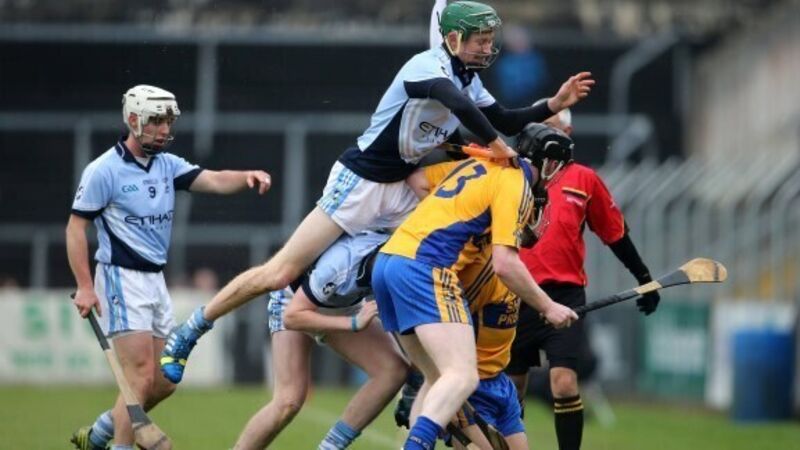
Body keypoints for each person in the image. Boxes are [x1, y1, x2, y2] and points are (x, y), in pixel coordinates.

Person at [160, 0, 593, 384]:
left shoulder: (468, 80)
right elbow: (461, 108)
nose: (487, 47)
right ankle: (193, 328)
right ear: (453, 39)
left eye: (489, 40)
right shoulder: (427, 67)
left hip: (401, 186)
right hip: (360, 183)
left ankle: (422, 380)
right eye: (479, 40)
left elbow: (507, 119)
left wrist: (554, 104)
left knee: (427, 264)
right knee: (279, 272)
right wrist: (499, 149)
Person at [67, 84, 272, 450]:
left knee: (164, 380)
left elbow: (214, 179)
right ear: (133, 120)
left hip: (154, 280)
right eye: (156, 121)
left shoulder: (167, 165)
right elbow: (75, 228)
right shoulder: (103, 171)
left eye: (168, 122)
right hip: (121, 278)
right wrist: (84, 285)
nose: (164, 129)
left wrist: (246, 177)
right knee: (139, 377)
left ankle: (99, 432)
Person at [372, 121, 578, 449]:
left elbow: (418, 180)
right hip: (425, 266)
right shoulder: (516, 182)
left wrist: (451, 218)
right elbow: (505, 264)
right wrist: (548, 306)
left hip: (390, 260)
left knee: (438, 378)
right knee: (463, 376)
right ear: (550, 163)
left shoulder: (477, 165)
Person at [504, 102, 660, 450]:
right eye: (538, 125)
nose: (542, 132)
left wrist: (644, 277)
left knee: (564, 383)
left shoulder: (584, 179)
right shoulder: (512, 174)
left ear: (567, 133)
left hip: (565, 295)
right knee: (511, 389)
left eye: (551, 126)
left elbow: (615, 233)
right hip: (516, 292)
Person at [233, 230, 409, 450]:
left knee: (393, 370)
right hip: (292, 302)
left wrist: (416, 384)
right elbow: (293, 317)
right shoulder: (341, 264)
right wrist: (353, 323)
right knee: (288, 401)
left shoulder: (398, 260)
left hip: (341, 303)